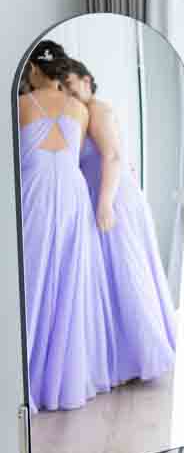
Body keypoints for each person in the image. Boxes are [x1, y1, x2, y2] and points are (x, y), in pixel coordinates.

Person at [64, 58, 177, 384]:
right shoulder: (81, 113)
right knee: (110, 276)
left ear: (87, 80)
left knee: (126, 270)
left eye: (71, 85)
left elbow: (112, 156)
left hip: (113, 201)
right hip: (103, 199)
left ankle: (143, 354)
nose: (69, 92)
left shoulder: (98, 109)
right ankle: (123, 358)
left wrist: (105, 203)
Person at [18, 40, 114, 411]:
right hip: (72, 198)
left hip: (37, 192)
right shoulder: (79, 109)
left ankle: (23, 374)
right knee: (66, 283)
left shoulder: (21, 104)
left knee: (31, 277)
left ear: (33, 70)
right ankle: (61, 381)